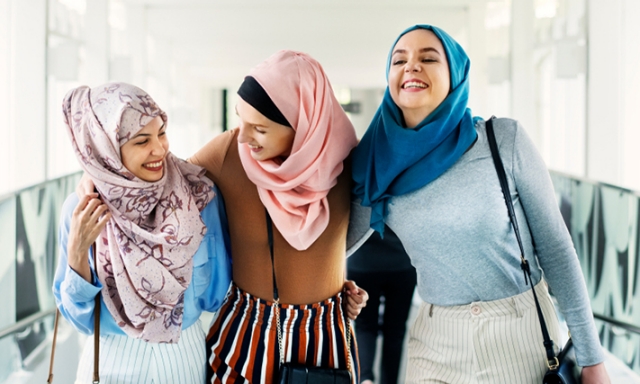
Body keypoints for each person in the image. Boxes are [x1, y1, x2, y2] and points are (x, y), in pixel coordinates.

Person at [348, 25, 610, 383]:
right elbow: (335, 246)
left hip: (520, 335)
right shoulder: (377, 162)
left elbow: (556, 249)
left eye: (428, 58)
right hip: (436, 342)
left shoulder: (502, 140)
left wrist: (592, 359)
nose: (411, 67)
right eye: (399, 60)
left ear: (455, 75)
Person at [189, 50, 367, 384]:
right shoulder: (230, 153)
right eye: (240, 119)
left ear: (303, 126)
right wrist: (96, 176)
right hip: (246, 338)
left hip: (325, 342)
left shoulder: (348, 162)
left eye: (259, 128)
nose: (243, 136)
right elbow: (157, 180)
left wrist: (332, 284)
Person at [53, 82, 232, 384]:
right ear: (106, 149)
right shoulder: (82, 209)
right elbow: (78, 318)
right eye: (141, 141)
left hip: (182, 356)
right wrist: (77, 252)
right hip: (108, 360)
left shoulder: (199, 199)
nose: (159, 149)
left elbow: (217, 295)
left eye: (162, 132)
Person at [347, 225, 416, 384]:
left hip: (362, 261)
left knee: (364, 326)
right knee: (395, 331)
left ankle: (365, 380)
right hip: (402, 260)